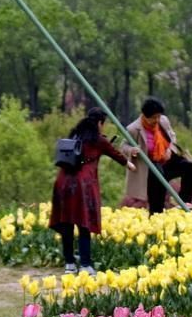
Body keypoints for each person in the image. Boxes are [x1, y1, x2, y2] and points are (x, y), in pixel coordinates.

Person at [50, 108, 136, 275]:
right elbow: (115, 154)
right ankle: (85, 265)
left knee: (67, 223)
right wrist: (130, 165)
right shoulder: (98, 140)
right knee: (84, 224)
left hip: (62, 183)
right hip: (82, 185)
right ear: (99, 123)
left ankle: (69, 264)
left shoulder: (75, 134)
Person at [122, 97, 192, 215]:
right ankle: (155, 220)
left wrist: (169, 149)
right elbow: (123, 146)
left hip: (167, 159)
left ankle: (185, 201)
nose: (157, 120)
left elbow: (172, 136)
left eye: (158, 116)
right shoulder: (133, 129)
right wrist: (132, 150)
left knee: (189, 167)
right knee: (157, 201)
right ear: (145, 116)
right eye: (153, 117)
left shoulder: (163, 121)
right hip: (152, 167)